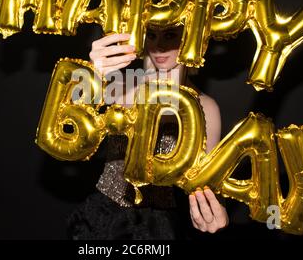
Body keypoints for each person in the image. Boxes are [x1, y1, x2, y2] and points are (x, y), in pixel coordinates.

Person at [67, 25, 228, 239]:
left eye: (170, 35)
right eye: (152, 35)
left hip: (156, 226)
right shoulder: (121, 87)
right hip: (103, 218)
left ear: (191, 40)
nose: (159, 46)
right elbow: (67, 122)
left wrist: (215, 211)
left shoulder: (205, 107)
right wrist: (90, 73)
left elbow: (207, 184)